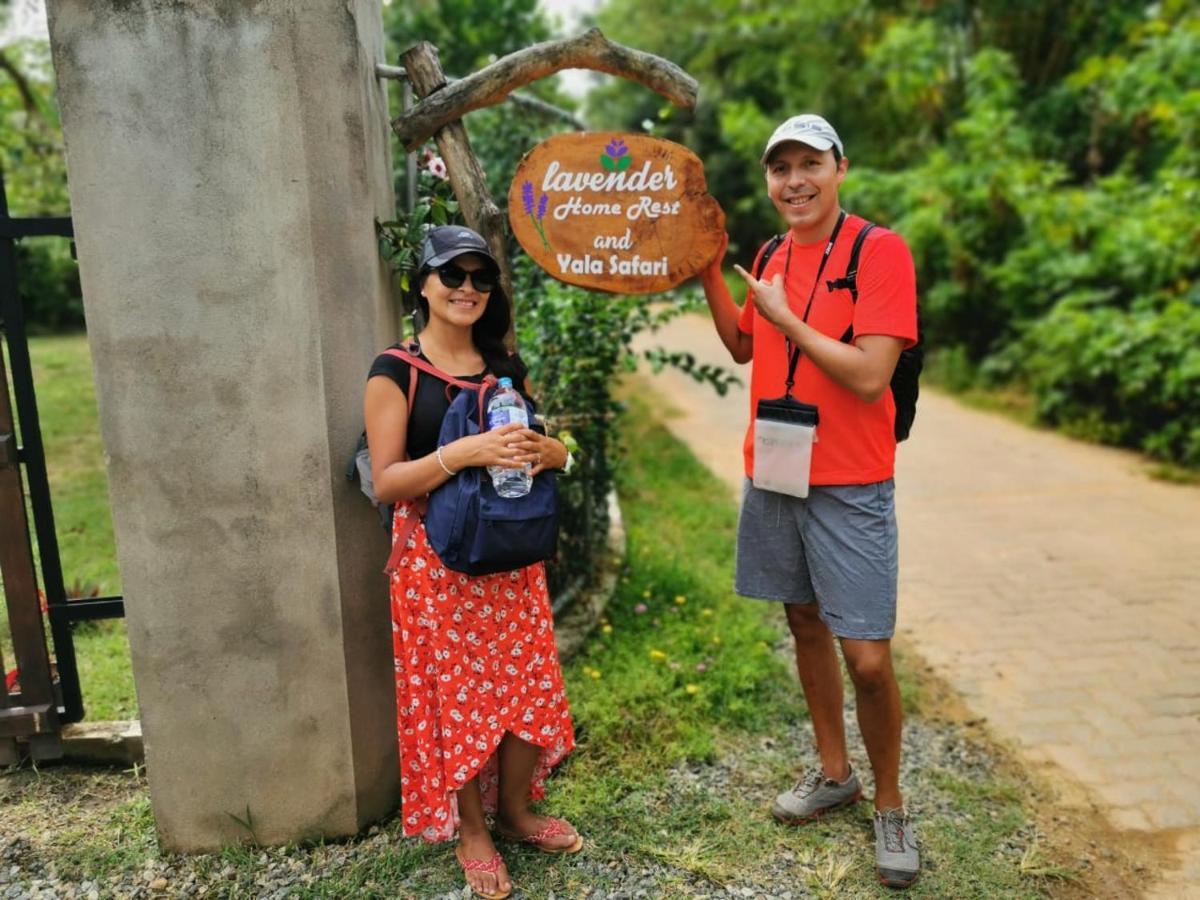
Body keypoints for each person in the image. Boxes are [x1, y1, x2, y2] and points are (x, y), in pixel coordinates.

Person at [697, 114, 921, 888]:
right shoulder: (767, 253)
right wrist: (709, 271)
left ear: (839, 168)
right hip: (778, 468)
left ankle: (889, 800)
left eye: (808, 164)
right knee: (802, 619)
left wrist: (787, 316)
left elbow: (868, 375)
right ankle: (836, 772)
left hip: (852, 478)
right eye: (780, 167)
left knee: (867, 656)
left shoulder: (879, 251)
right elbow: (742, 345)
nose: (793, 180)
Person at [363, 225, 581, 900]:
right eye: (451, 275)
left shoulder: (504, 367)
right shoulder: (393, 370)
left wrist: (557, 454)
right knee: (458, 703)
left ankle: (514, 812)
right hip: (437, 567)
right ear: (422, 285)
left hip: (511, 560)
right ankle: (471, 830)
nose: (466, 289)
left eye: (480, 278)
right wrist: (463, 454)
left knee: (526, 692)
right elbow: (387, 482)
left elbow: (544, 444)